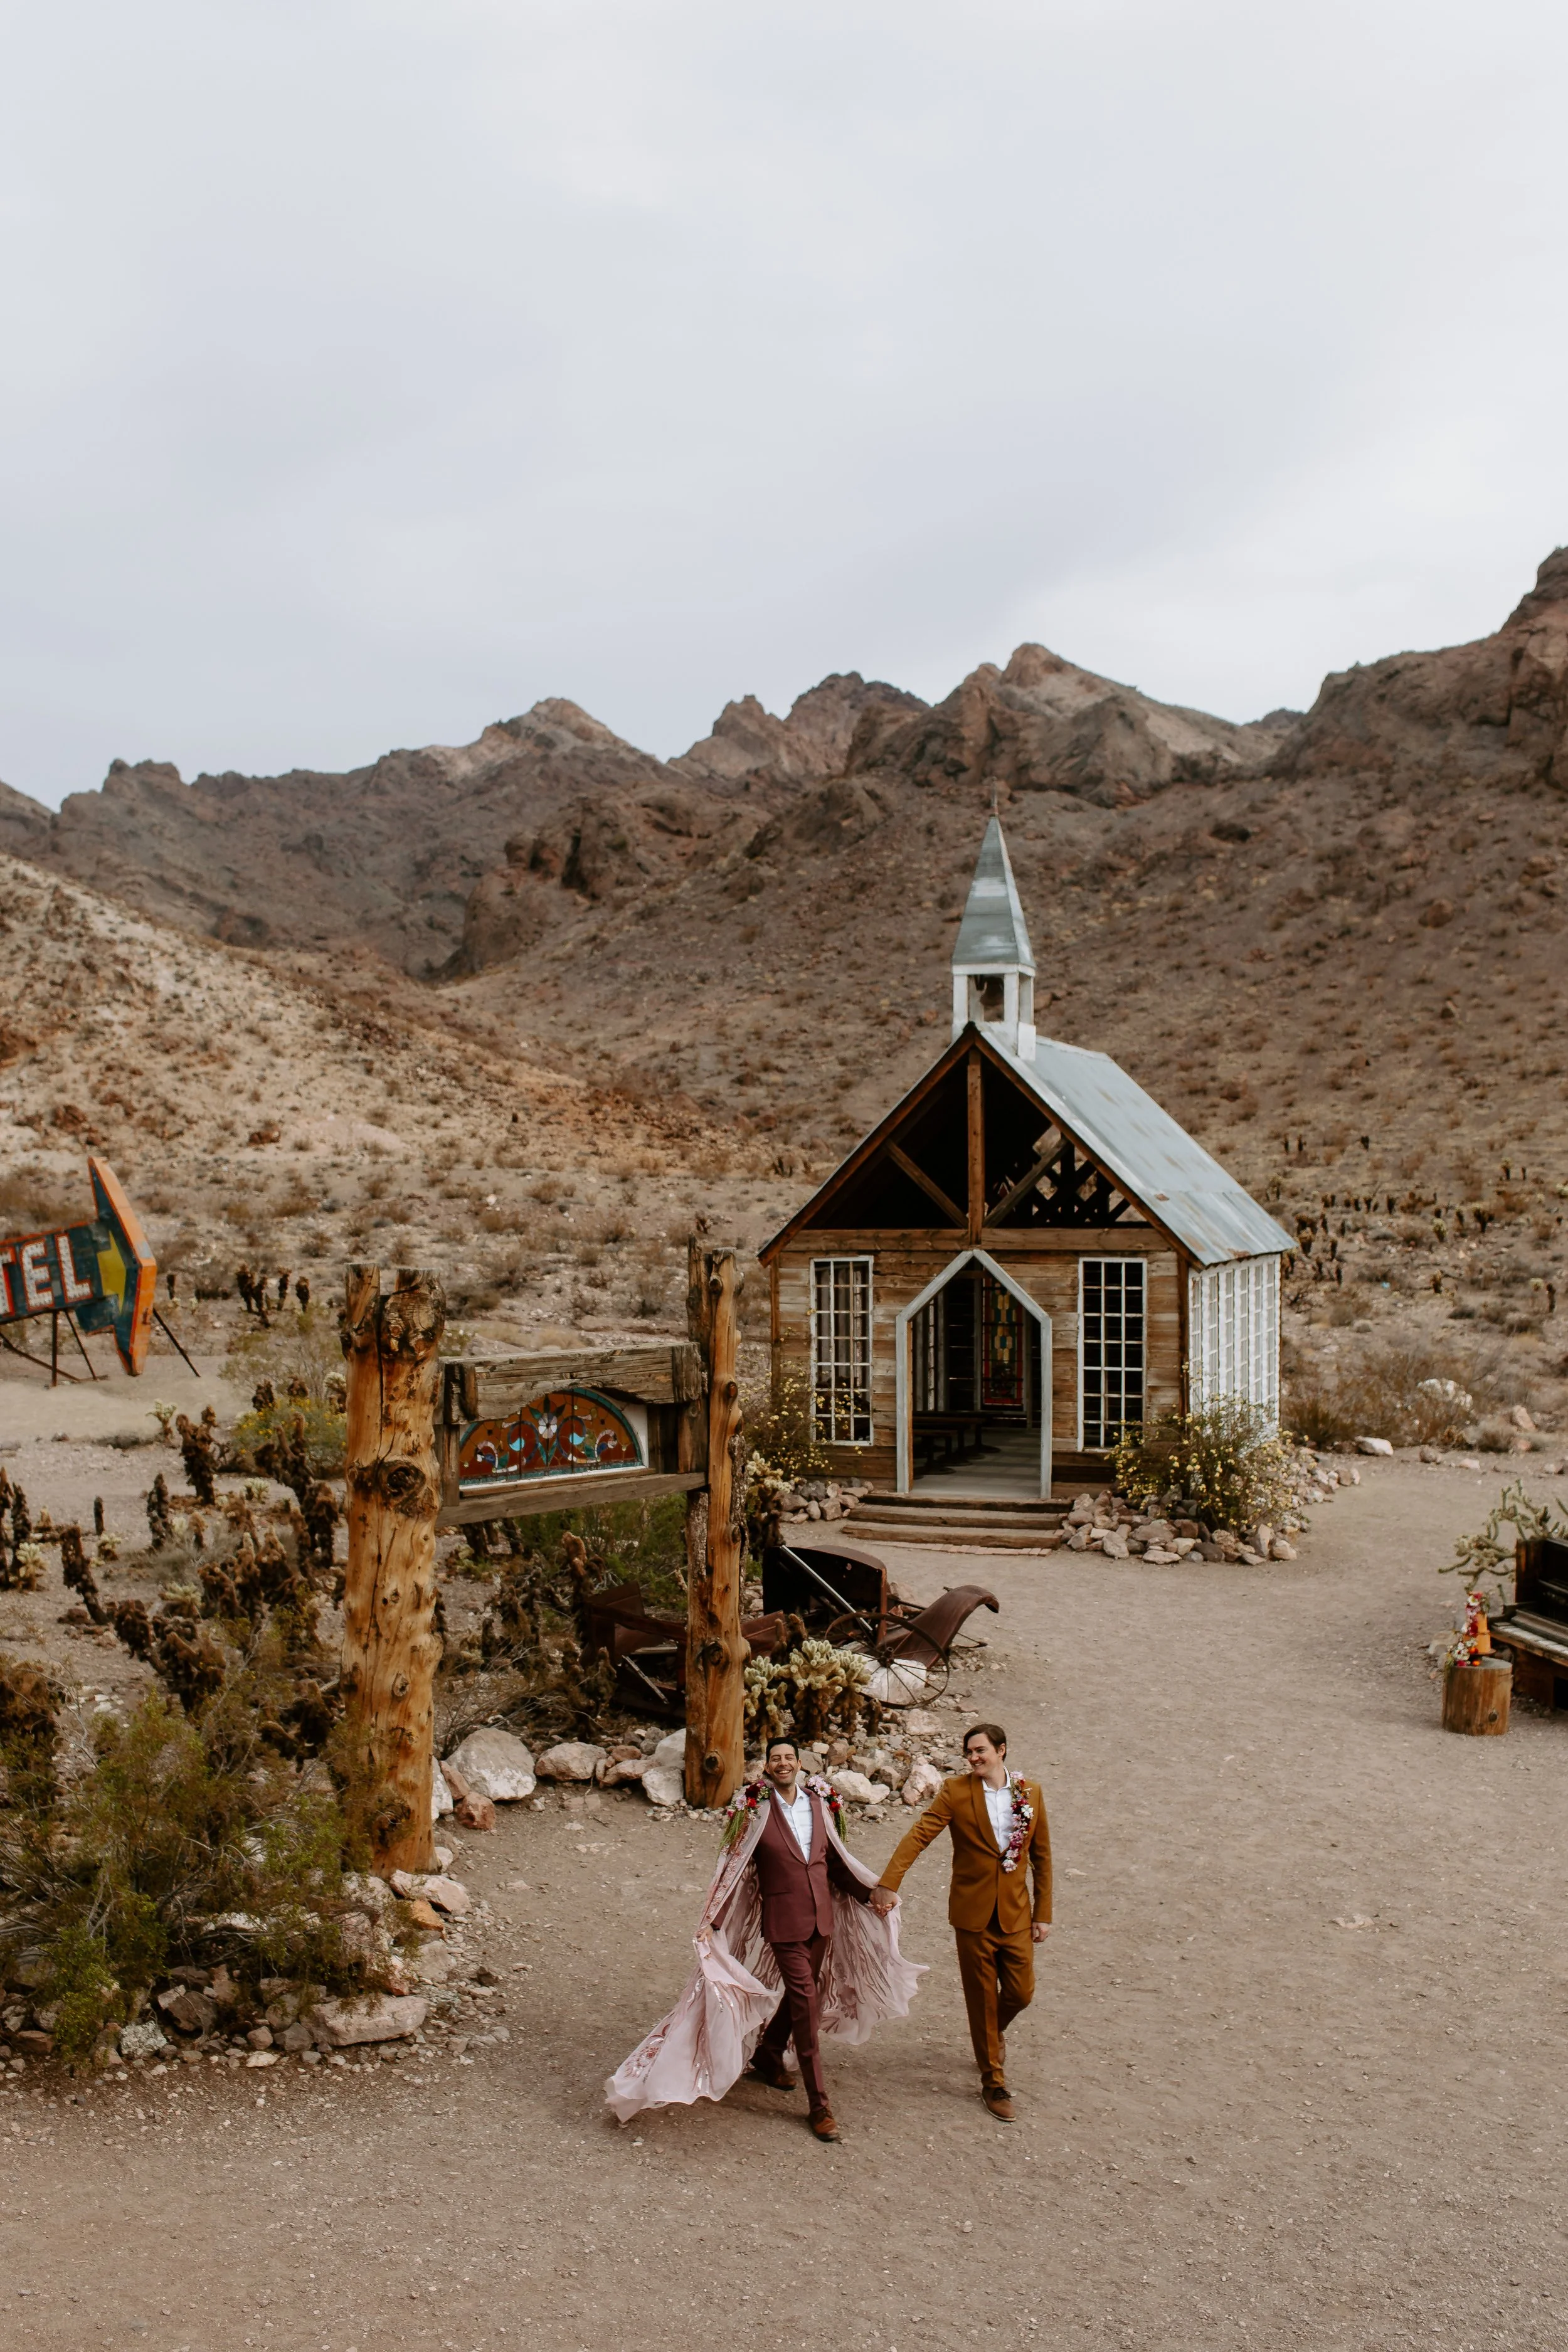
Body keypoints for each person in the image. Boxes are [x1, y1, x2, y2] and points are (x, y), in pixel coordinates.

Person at [606, 1738, 924, 2137]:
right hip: (784, 1923)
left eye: (790, 1757)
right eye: (776, 1758)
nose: (784, 1763)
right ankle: (819, 2106)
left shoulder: (819, 1806)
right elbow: (734, 1871)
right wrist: (714, 1920)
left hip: (820, 1923)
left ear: (800, 1764)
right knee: (807, 2004)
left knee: (799, 1994)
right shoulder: (754, 1813)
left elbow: (836, 1867)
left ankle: (770, 2055)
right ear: (768, 1767)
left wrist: (871, 1895)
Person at [869, 1721, 1050, 2122]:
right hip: (972, 1915)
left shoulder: (1030, 1793)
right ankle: (994, 2081)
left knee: (1021, 1994)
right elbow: (920, 1835)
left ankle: (991, 2034)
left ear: (1002, 1750)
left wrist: (1044, 1914)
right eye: (968, 1752)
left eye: (980, 1751)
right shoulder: (956, 1792)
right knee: (982, 1998)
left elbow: (1042, 1856)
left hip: (1017, 1913)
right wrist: (888, 1883)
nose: (973, 1758)